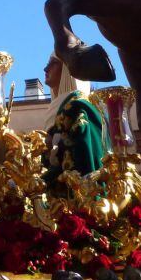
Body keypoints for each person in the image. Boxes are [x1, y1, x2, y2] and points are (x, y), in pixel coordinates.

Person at [41, 54, 106, 189]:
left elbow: (81, 148)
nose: (45, 69)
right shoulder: (59, 105)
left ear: (68, 70)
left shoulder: (77, 104)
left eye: (53, 63)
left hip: (78, 186)